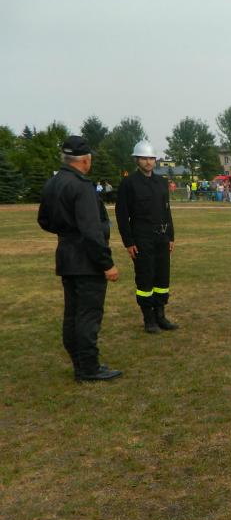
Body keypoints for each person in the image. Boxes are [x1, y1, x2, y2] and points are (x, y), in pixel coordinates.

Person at [37, 136, 122, 381]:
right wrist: (107, 264)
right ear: (85, 160)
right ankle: (89, 367)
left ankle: (79, 362)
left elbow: (44, 220)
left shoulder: (53, 183)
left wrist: (66, 232)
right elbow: (92, 232)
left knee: (72, 313)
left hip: (66, 256)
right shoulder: (81, 186)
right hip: (86, 261)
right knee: (88, 315)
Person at [115, 141, 178, 334]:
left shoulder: (161, 182)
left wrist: (171, 236)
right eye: (144, 158)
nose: (148, 162)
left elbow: (167, 211)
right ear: (137, 160)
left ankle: (160, 315)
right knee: (145, 278)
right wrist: (129, 242)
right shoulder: (129, 183)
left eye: (151, 158)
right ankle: (148, 319)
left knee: (162, 278)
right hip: (142, 238)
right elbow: (121, 215)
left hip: (162, 238)